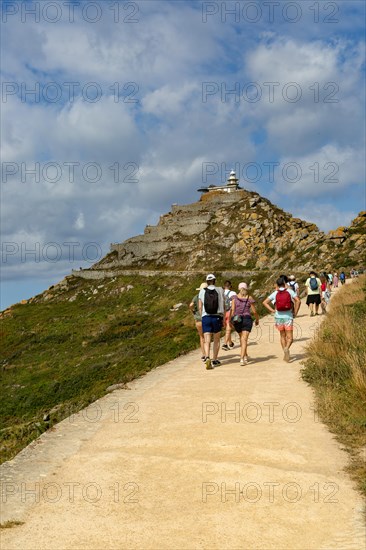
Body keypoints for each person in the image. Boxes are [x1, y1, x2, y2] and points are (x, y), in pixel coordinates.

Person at [263, 276, 301, 362]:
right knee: (290, 338)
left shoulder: (275, 293)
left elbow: (264, 302)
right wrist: (295, 312)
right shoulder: (290, 291)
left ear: (277, 284)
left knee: (282, 336)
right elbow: (298, 301)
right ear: (284, 284)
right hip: (288, 317)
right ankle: (287, 348)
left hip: (278, 317)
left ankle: (285, 352)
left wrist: (272, 310)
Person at [198, 274, 225, 370]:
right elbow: (223, 305)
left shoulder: (202, 291)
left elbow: (200, 306)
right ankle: (215, 359)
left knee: (207, 339)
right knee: (216, 339)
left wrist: (202, 316)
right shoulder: (220, 290)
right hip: (217, 317)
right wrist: (223, 318)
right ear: (215, 280)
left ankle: (207, 357)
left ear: (207, 282)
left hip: (206, 317)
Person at [230, 283, 259, 365]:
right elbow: (254, 311)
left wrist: (230, 321)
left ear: (239, 288)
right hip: (247, 319)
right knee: (244, 339)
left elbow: (232, 310)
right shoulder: (249, 298)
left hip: (237, 320)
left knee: (242, 339)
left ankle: (245, 356)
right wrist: (257, 319)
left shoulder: (234, 298)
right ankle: (242, 358)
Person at [189, 282, 207, 362]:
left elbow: (191, 305)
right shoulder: (207, 297)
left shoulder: (196, 297)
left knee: (201, 337)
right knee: (208, 337)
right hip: (206, 318)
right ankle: (208, 354)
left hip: (198, 319)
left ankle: (203, 354)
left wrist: (193, 312)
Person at [222, 280, 236, 351]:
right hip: (229, 311)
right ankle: (225, 344)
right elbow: (235, 303)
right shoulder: (233, 293)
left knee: (227, 328)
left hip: (222, 312)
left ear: (224, 286)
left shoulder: (221, 293)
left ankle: (230, 342)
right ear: (230, 286)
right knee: (229, 327)